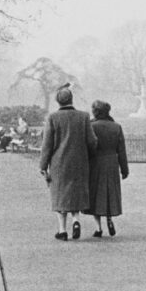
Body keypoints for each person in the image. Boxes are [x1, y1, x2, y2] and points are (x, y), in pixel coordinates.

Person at [39, 84, 97, 241]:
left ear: (58, 101)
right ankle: (76, 220)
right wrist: (88, 155)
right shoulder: (84, 116)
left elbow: (47, 145)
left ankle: (62, 230)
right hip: (79, 162)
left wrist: (43, 165)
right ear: (72, 99)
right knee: (75, 192)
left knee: (60, 195)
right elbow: (92, 141)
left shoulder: (52, 118)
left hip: (59, 163)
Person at [85, 100, 129, 237]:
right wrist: (124, 169)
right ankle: (109, 219)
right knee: (109, 192)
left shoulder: (91, 126)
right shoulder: (116, 127)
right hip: (111, 163)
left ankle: (98, 228)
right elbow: (121, 151)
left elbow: (87, 147)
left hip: (95, 163)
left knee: (96, 195)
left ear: (95, 112)